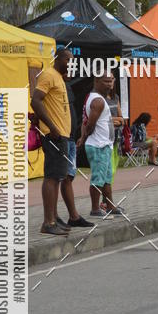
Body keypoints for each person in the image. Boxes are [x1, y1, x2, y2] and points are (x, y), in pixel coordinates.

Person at [31, 48, 74, 236]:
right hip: (53, 134)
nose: (70, 63)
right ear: (57, 59)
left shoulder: (59, 77)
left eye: (72, 61)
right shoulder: (48, 75)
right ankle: (48, 223)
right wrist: (52, 126)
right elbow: (36, 101)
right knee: (51, 177)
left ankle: (54, 218)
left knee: (57, 177)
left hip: (61, 134)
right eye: (67, 60)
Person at [77, 72, 123, 218]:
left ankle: (110, 205)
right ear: (96, 81)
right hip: (98, 145)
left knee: (107, 179)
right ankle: (95, 209)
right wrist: (83, 138)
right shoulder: (98, 101)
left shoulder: (98, 98)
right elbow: (89, 125)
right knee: (98, 179)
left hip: (105, 145)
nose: (109, 84)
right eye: (106, 81)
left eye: (111, 81)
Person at [56, 77, 92, 229]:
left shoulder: (67, 86)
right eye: (67, 66)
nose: (70, 69)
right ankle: (52, 217)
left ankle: (74, 217)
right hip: (61, 137)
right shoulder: (52, 82)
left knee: (69, 176)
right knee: (58, 177)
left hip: (70, 137)